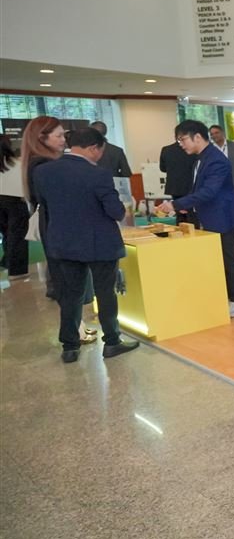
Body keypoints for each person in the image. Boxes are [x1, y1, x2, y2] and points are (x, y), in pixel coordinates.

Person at [36, 128, 139, 364]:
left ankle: (70, 347)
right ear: (93, 148)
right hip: (99, 243)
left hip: (63, 242)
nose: (100, 156)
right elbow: (115, 211)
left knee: (70, 295)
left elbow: (44, 204)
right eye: (100, 151)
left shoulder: (43, 172)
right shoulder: (98, 175)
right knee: (105, 293)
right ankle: (112, 341)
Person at [155, 120, 234, 318]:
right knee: (218, 258)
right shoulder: (201, 158)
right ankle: (226, 296)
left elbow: (209, 192)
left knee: (227, 258)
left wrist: (176, 204)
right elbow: (198, 189)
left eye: (183, 139)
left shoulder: (215, 160)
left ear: (197, 137)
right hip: (207, 215)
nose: (181, 144)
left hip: (221, 216)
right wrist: (186, 205)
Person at [22, 116, 67, 300]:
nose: (63, 140)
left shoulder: (38, 163)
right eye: (59, 136)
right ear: (42, 138)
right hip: (57, 223)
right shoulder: (44, 166)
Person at [0, 135, 30, 279]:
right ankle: (17, 270)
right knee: (17, 236)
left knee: (7, 234)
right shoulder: (17, 163)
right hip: (16, 202)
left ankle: (7, 262)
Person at [159, 129, 198, 226]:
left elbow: (162, 168)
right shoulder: (193, 150)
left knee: (179, 214)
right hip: (191, 186)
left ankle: (180, 232)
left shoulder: (166, 150)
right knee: (192, 215)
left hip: (175, 187)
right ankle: (194, 232)